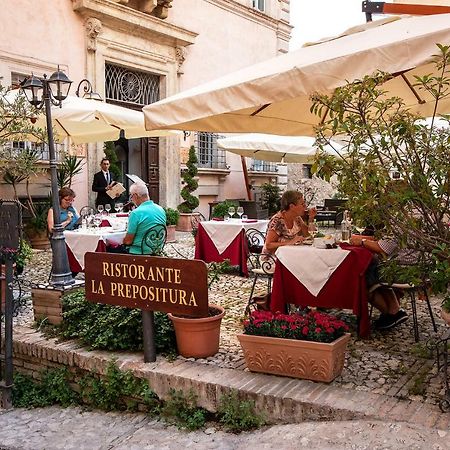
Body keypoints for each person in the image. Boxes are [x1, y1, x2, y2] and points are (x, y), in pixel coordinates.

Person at [350, 235, 412, 330]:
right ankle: (394, 311)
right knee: (375, 269)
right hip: (421, 269)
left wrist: (362, 241)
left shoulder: (401, 223)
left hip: (403, 271)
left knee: (363, 277)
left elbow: (382, 248)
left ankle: (392, 313)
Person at [108, 183, 166, 254]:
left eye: (131, 196)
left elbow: (128, 241)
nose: (131, 199)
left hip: (138, 252)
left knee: (108, 249)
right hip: (156, 249)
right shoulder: (161, 209)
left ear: (135, 196)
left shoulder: (136, 213)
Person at [263, 190, 316, 254]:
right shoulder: (278, 221)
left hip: (289, 256)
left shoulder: (297, 218)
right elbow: (268, 245)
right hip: (273, 259)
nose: (305, 206)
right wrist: (290, 242)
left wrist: (311, 218)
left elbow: (307, 234)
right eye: (302, 204)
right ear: (292, 206)